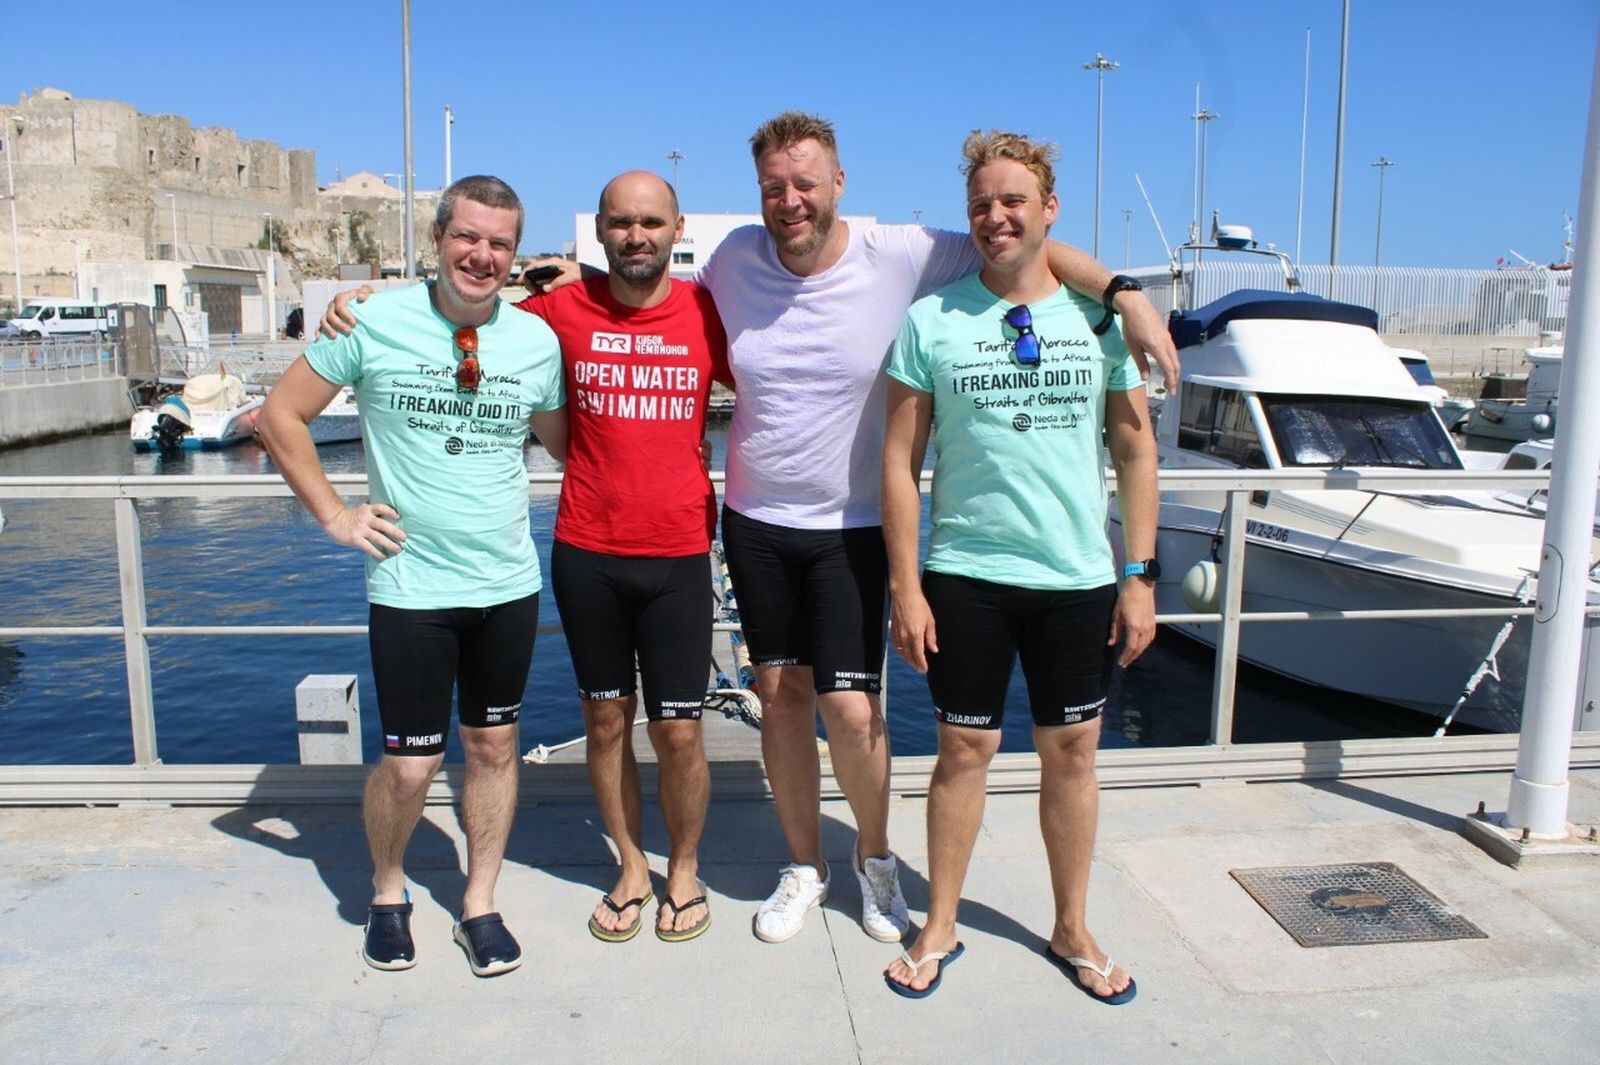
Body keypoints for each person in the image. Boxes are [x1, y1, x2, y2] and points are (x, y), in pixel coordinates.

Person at [520, 110, 1176, 945]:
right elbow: (638, 287)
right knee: (780, 696)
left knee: (854, 710)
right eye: (773, 188)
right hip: (756, 520)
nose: (790, 201)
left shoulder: (899, 254)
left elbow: (1028, 247)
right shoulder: (731, 261)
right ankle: (806, 865)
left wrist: (1122, 292)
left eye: (805, 183)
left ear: (838, 185)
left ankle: (873, 861)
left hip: (854, 524)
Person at [323, 172, 730, 944]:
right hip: (587, 549)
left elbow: (789, 379)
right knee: (606, 723)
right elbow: (465, 302)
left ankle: (682, 866)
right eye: (620, 221)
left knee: (680, 730)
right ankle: (631, 868)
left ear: (677, 228)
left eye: (651, 221)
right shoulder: (554, 314)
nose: (636, 235)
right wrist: (362, 296)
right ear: (598, 232)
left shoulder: (710, 312)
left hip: (679, 548)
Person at [259, 175, 568, 978]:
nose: (482, 254)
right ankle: (388, 890)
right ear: (438, 238)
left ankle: (479, 901)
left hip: (506, 581)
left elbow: (570, 446)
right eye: (468, 236)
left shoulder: (536, 342)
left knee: (495, 747)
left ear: (515, 253)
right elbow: (279, 415)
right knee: (409, 763)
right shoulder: (371, 319)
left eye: (500, 243)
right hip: (409, 586)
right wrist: (334, 515)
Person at [879, 131, 1157, 1002]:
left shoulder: (1100, 321)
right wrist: (907, 586)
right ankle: (941, 922)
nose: (995, 217)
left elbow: (1136, 449)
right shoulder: (933, 318)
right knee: (964, 747)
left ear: (1049, 210)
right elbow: (899, 462)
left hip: (1076, 577)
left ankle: (1071, 926)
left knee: (1072, 750)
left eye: (1012, 201)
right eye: (980, 206)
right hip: (967, 572)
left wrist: (1140, 573)